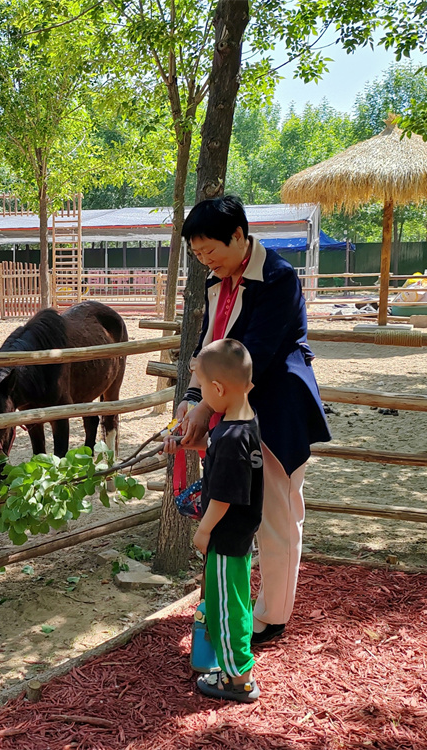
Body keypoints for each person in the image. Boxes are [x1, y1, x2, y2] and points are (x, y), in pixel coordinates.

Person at [171, 195, 330, 645]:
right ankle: (238, 605)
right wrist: (191, 395)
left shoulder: (278, 278)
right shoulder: (218, 282)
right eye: (198, 255)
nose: (206, 262)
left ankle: (273, 615)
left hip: (277, 410)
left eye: (211, 251)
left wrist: (206, 406)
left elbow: (253, 354)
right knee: (243, 515)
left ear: (239, 236)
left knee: (278, 514)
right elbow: (211, 345)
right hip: (232, 410)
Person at [182, 338, 263, 702]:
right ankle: (236, 669)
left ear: (217, 389)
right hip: (240, 536)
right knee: (236, 601)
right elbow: (225, 459)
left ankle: (236, 680)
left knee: (226, 608)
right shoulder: (243, 422)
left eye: (203, 391)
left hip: (225, 537)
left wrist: (204, 530)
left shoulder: (231, 438)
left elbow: (226, 496)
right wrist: (197, 446)